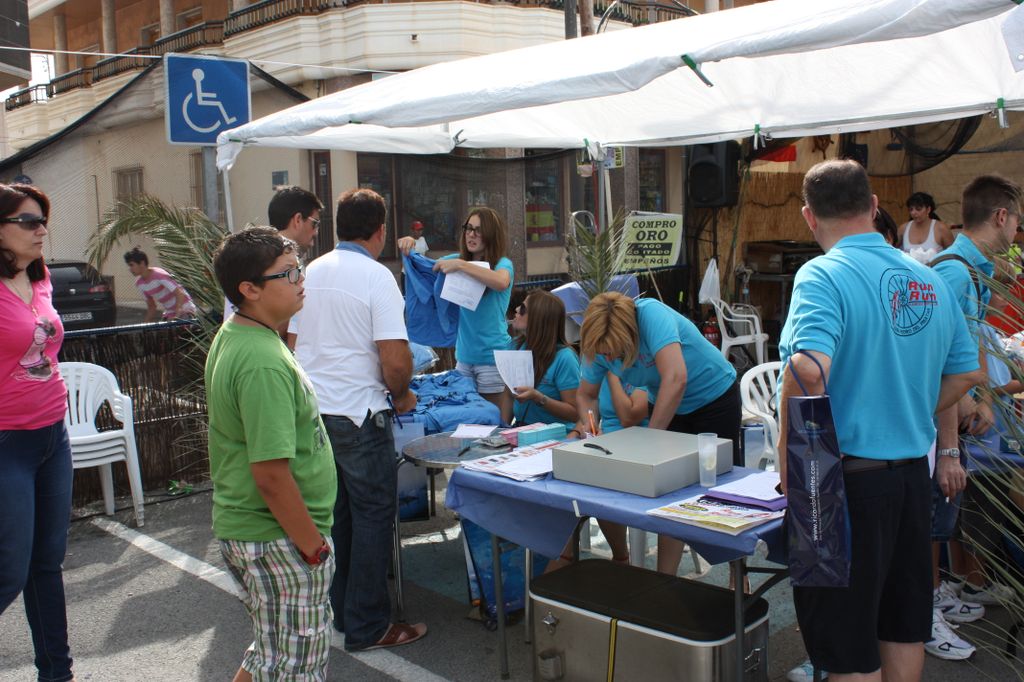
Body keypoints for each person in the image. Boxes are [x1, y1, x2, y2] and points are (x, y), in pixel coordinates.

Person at [778, 160, 981, 682]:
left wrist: (797, 477)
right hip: (913, 479)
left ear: (808, 217)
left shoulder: (822, 274)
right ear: (872, 207)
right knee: (903, 627)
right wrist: (907, 403)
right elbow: (965, 374)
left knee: (848, 650)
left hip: (843, 487)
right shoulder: (928, 277)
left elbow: (805, 371)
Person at [291, 188, 426, 651]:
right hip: (358, 413)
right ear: (381, 231)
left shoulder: (311, 270)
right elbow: (394, 359)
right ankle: (368, 624)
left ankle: (346, 612)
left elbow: (290, 343)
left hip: (313, 412)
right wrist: (404, 393)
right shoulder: (377, 276)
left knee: (340, 517)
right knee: (371, 517)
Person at [207, 227, 337, 681]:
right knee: (296, 668)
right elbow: (271, 475)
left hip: (260, 533)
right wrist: (311, 547)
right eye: (288, 273)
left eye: (299, 268)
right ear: (250, 289)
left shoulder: (240, 334)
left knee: (270, 654)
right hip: (277, 538)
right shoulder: (262, 359)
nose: (301, 279)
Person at [576, 291, 740, 575]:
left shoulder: (651, 315)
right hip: (669, 401)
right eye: (603, 353)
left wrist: (650, 441)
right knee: (670, 495)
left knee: (724, 492)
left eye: (613, 350)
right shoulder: (598, 342)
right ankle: (666, 580)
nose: (608, 357)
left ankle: (739, 578)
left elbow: (676, 378)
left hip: (713, 396)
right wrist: (590, 429)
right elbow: (586, 395)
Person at [0, 183, 76, 682]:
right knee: (9, 568)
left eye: (43, 220)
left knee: (46, 565)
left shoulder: (41, 280)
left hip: (54, 435)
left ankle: (58, 672)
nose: (41, 229)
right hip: (7, 443)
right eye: (29, 221)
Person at [398, 207, 514, 422]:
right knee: (468, 424)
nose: (471, 234)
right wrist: (408, 245)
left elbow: (501, 281)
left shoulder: (502, 264)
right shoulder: (456, 260)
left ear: (491, 234)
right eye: (469, 228)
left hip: (492, 358)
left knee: (493, 424)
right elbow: (425, 265)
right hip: (464, 358)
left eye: (479, 230)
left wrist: (461, 264)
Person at [509, 290, 581, 431]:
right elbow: (508, 394)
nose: (517, 309)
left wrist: (539, 398)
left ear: (538, 318)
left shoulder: (565, 358)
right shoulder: (516, 346)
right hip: (520, 433)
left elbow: (575, 413)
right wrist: (502, 430)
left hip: (554, 437)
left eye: (523, 308)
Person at [123, 247, 197, 322]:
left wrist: (177, 314)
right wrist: (144, 325)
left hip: (185, 308)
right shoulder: (139, 284)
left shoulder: (159, 274)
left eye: (131, 265)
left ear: (142, 263)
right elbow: (152, 306)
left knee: (181, 331)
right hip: (170, 313)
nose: (130, 269)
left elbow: (179, 292)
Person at [899, 191, 954, 263]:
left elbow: (953, 256)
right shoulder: (903, 229)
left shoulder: (941, 228)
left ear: (928, 209)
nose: (913, 213)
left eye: (918, 209)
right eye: (911, 209)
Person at [268, 185, 323, 251]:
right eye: (315, 223)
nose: (316, 232)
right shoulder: (284, 259)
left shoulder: (261, 255)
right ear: (298, 220)